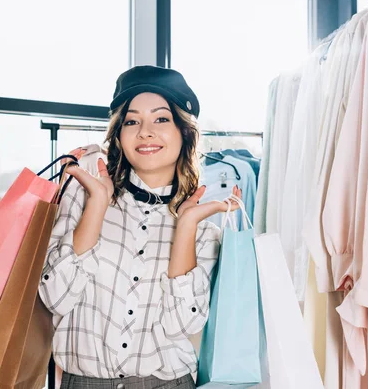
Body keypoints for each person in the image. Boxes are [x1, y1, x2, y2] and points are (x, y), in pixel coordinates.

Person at [38, 66, 242, 389]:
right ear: (119, 134)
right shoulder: (86, 195)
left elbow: (183, 323)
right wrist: (97, 207)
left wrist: (186, 226)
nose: (145, 132)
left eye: (161, 119)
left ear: (184, 132)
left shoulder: (203, 230)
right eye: (132, 121)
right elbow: (54, 297)